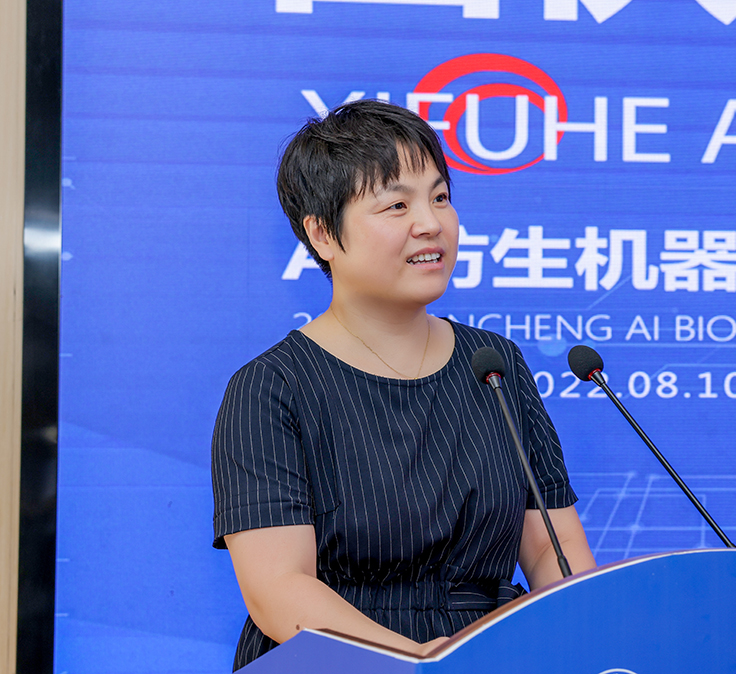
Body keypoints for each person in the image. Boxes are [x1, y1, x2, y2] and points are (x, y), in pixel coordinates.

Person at [211, 99, 596, 670]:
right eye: (396, 205)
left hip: (491, 654)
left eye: (440, 197)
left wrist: (588, 640)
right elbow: (278, 591)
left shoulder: (494, 366)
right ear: (322, 233)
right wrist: (424, 663)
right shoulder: (272, 388)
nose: (431, 223)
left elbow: (552, 555)